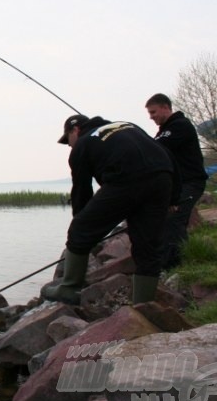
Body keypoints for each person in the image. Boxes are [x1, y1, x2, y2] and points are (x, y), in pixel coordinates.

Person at [41, 115, 179, 305]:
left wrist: (81, 225)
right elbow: (167, 155)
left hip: (126, 179)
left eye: (68, 141)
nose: (70, 146)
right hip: (162, 178)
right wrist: (174, 198)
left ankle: (69, 288)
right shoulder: (128, 125)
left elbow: (81, 190)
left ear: (75, 131)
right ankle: (143, 305)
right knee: (148, 246)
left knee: (80, 229)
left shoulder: (83, 143)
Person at [145, 93, 208, 270]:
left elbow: (156, 149)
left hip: (191, 183)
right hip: (179, 185)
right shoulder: (166, 129)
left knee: (174, 221)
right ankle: (182, 259)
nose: (151, 117)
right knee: (171, 220)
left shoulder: (180, 126)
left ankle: (173, 265)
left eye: (153, 112)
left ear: (165, 107)